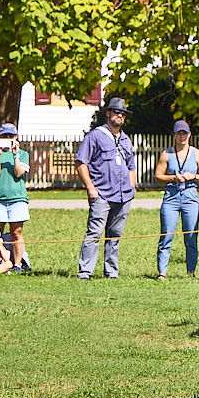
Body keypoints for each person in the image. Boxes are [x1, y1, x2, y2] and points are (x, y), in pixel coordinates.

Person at [76, 97, 137, 280]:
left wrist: (131, 189)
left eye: (123, 114)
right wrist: (91, 188)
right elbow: (81, 162)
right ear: (108, 113)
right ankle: (85, 272)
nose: (119, 116)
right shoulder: (95, 136)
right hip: (101, 193)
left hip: (123, 195)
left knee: (115, 234)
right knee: (94, 232)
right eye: (116, 112)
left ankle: (111, 272)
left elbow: (131, 166)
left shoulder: (126, 139)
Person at [154, 120, 199, 279]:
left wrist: (194, 176)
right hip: (171, 196)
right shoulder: (167, 153)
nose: (182, 136)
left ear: (189, 134)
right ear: (174, 135)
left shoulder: (197, 154)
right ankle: (162, 272)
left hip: (190, 196)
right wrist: (172, 178)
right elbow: (158, 176)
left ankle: (191, 272)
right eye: (179, 133)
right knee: (167, 234)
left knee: (191, 236)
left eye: (184, 133)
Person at [0, 123, 31, 272]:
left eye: (11, 136)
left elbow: (19, 173)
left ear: (16, 137)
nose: (8, 139)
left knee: (16, 232)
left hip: (17, 199)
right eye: (5, 136)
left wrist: (15, 155)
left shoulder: (23, 154)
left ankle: (17, 264)